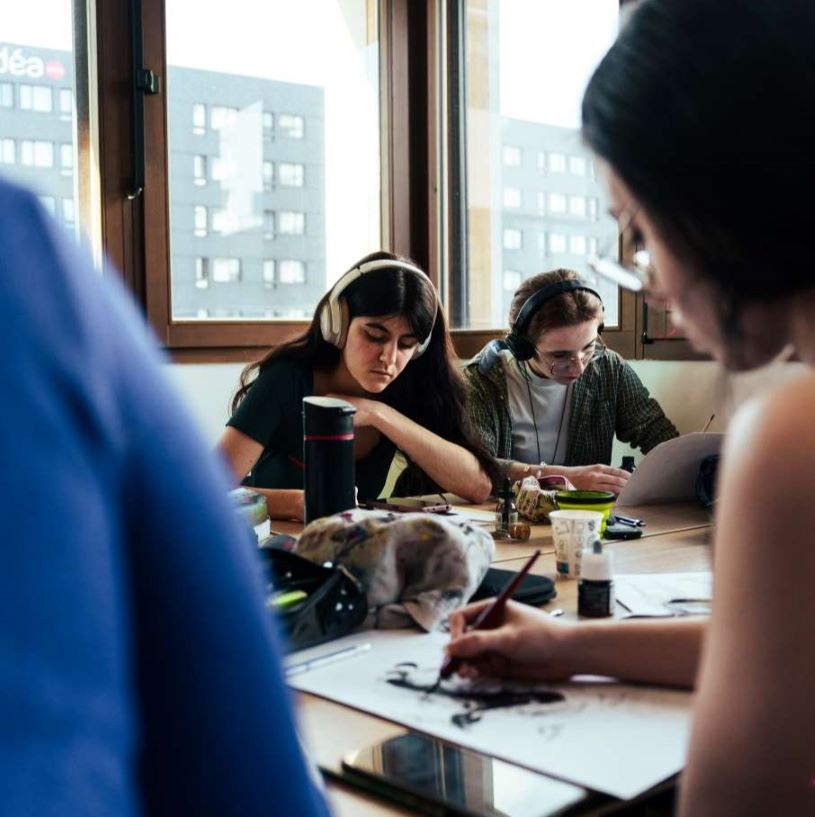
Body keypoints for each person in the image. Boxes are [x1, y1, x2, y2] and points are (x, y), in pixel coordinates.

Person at [447, 1, 815, 814]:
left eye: (640, 231)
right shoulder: (480, 377)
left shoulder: (789, 435)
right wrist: (563, 646)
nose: (650, 279)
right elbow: (777, 648)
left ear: (724, 203)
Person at [0, 177, 329, 816]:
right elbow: (234, 732)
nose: (393, 354)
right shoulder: (26, 269)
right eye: (378, 335)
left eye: (408, 341)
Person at [219, 251, 495, 520]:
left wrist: (378, 414)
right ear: (336, 322)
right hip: (279, 550)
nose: (389, 358)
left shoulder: (407, 388)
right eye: (375, 335)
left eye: (406, 344)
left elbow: (478, 486)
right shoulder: (286, 379)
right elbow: (210, 490)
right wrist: (296, 503)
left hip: (354, 550)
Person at [464, 268, 677, 492]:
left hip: (585, 522)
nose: (579, 366)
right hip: (507, 522)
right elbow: (477, 467)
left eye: (589, 347)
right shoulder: (482, 380)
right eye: (560, 355)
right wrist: (564, 477)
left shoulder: (609, 368)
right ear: (523, 347)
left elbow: (656, 432)